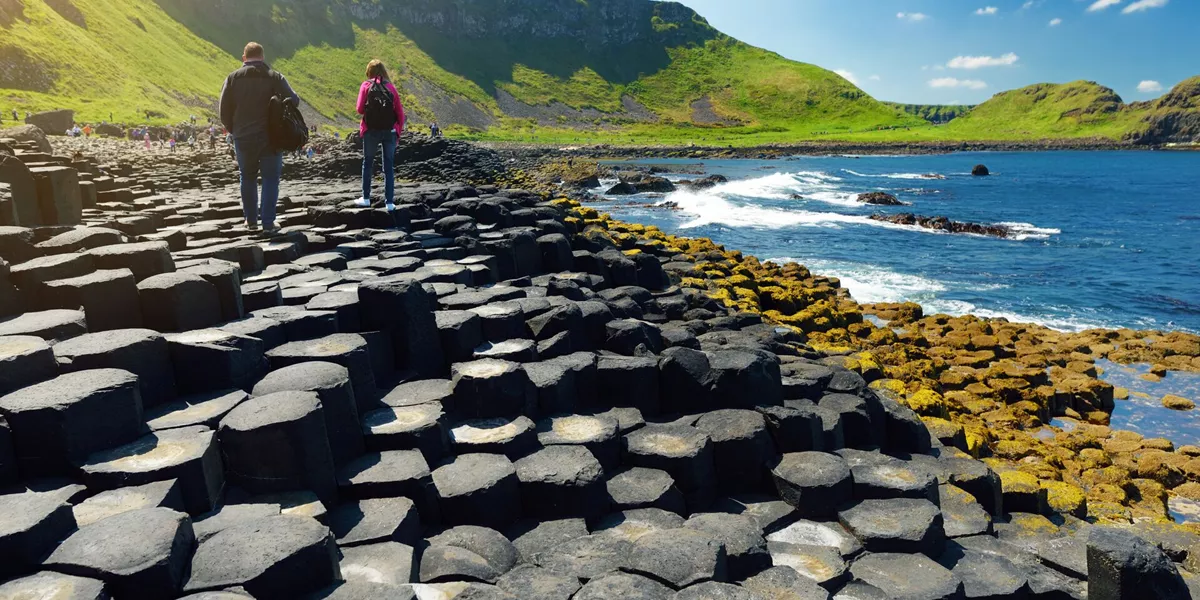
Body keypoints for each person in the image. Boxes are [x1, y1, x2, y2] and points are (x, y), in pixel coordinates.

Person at [219, 41, 299, 233]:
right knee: (271, 179)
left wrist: (234, 129)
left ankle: (251, 220)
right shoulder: (275, 77)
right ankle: (269, 223)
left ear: (244, 58)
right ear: (262, 57)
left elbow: (223, 110)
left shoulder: (232, 78)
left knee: (247, 177)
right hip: (271, 137)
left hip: (243, 136)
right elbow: (294, 100)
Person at [354, 59, 406, 210]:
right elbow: (400, 113)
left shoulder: (366, 85)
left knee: (368, 163)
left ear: (369, 71)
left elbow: (359, 109)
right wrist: (398, 132)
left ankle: (366, 198)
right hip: (389, 132)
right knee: (388, 166)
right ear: (383, 71)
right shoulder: (391, 88)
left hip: (371, 131)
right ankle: (389, 202)